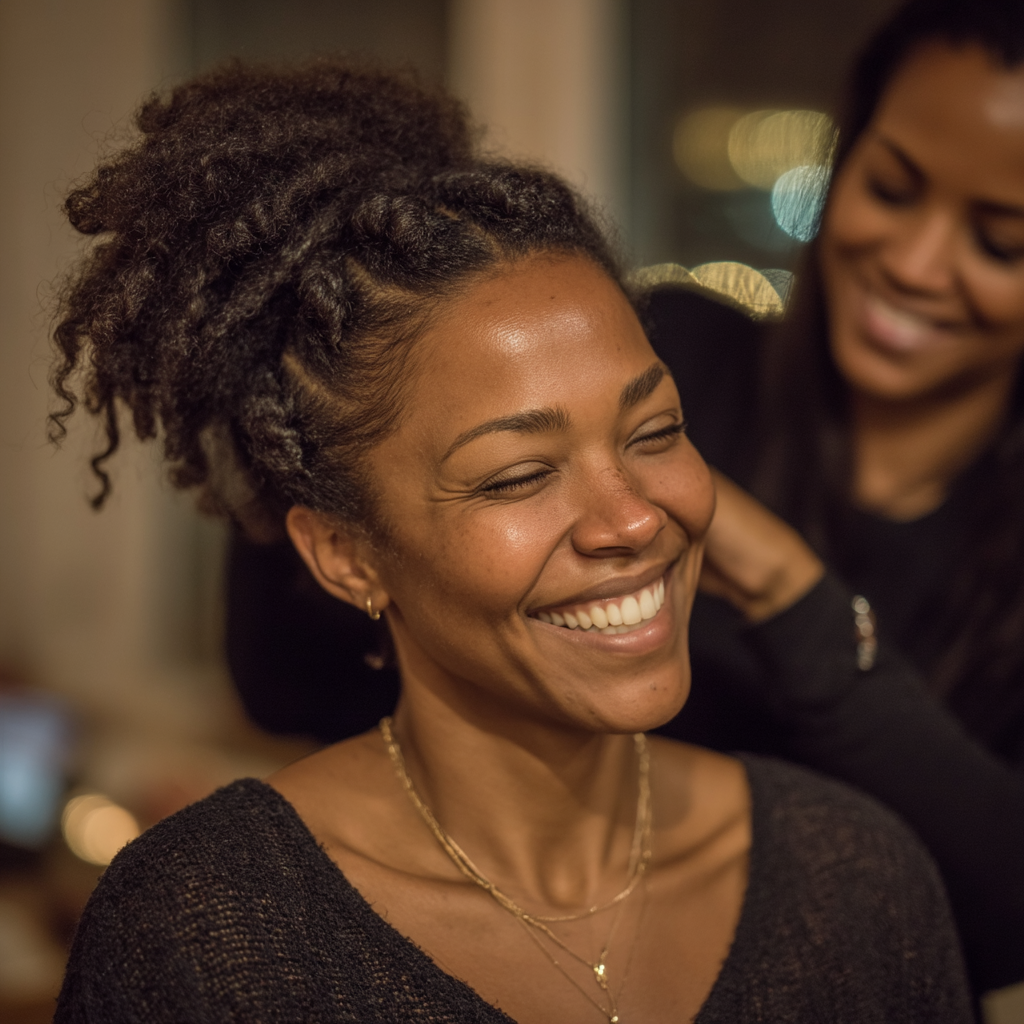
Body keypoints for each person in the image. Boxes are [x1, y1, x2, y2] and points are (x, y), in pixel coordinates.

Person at [48, 62, 971, 1023]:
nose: (634, 520)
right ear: (345, 555)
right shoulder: (204, 933)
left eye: (653, 433)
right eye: (519, 477)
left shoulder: (861, 880)